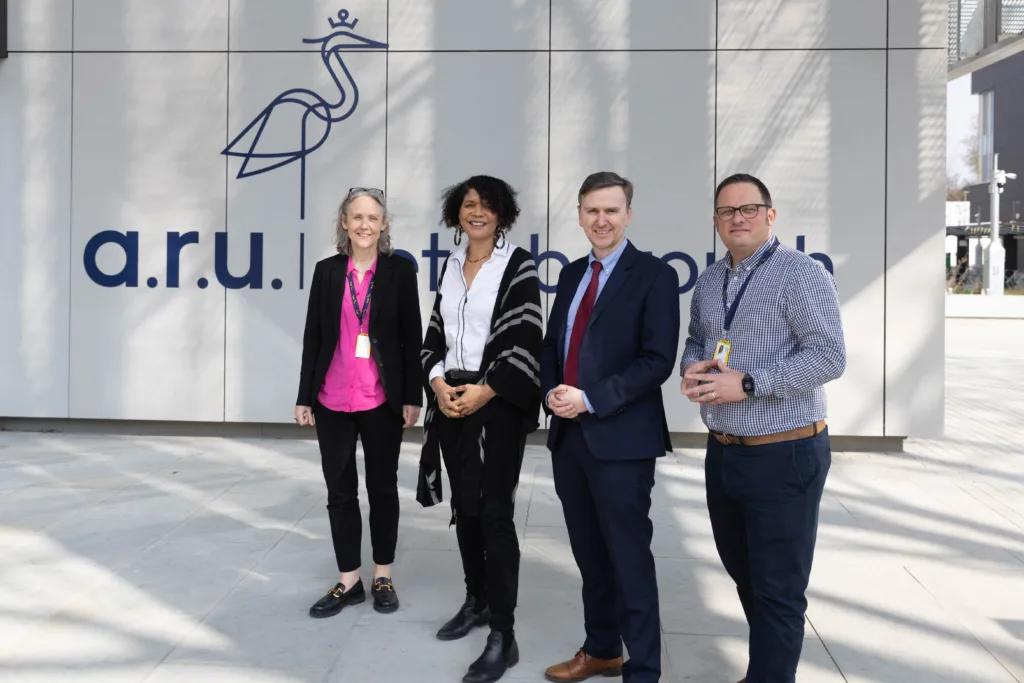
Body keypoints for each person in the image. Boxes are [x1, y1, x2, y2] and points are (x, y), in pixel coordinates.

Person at [679, 173, 846, 683]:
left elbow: (829, 356)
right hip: (725, 453)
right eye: (727, 211)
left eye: (748, 209)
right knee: (746, 576)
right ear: (715, 221)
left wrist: (749, 383)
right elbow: (695, 340)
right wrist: (694, 368)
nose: (737, 218)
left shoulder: (801, 273)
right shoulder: (708, 281)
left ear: (770, 216)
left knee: (777, 588)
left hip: (785, 454)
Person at [540, 171, 680, 683]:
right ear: (579, 214)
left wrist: (591, 399)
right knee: (589, 554)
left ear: (628, 214)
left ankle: (642, 671)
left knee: (628, 559)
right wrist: (552, 391)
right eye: (592, 210)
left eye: (611, 210)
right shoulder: (574, 273)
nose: (601, 220)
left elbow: (656, 360)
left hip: (621, 439)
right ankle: (601, 649)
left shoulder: (654, 276)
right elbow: (551, 345)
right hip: (569, 438)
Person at [416, 175, 543, 683]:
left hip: (497, 403)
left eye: (487, 206)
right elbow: (434, 334)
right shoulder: (449, 265)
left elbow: (526, 335)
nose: (477, 213)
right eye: (469, 205)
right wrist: (437, 383)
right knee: (464, 509)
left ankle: (503, 635)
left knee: (494, 513)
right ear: (456, 213)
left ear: (503, 215)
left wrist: (485, 391)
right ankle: (477, 599)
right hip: (451, 400)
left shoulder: (517, 265)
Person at [295, 187, 423, 619]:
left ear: (383, 226)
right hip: (332, 398)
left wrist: (412, 397)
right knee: (339, 492)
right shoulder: (327, 272)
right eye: (356, 217)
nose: (365, 225)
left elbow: (411, 339)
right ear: (344, 224)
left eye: (373, 218)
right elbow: (314, 336)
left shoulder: (399, 272)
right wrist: (304, 396)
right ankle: (348, 579)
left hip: (380, 399)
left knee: (383, 489)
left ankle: (382, 574)